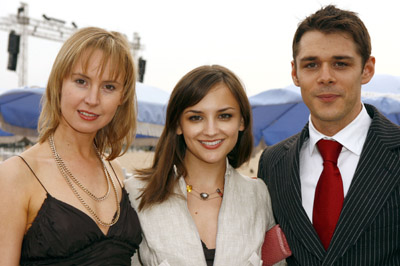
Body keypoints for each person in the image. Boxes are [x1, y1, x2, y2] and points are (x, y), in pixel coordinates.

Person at [258, 5, 400, 265]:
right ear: (295, 73)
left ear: (367, 69)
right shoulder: (272, 162)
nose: (325, 77)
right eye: (311, 64)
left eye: (340, 64)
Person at [0, 27, 142, 265]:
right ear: (59, 84)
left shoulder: (116, 172)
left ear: (122, 98)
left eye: (109, 87)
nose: (93, 99)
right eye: (81, 81)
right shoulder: (14, 175)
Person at [125, 65, 277, 266]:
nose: (211, 130)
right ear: (178, 125)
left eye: (224, 116)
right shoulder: (136, 193)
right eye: (196, 117)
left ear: (242, 122)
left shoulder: (259, 194)